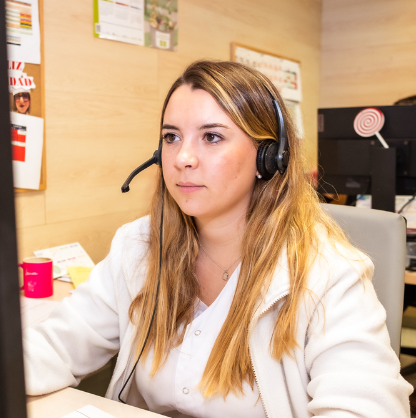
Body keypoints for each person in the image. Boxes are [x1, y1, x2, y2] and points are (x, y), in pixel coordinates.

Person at [22, 60, 412, 417]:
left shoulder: (327, 272)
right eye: (171, 137)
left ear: (268, 156)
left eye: (211, 137)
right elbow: (55, 347)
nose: (182, 158)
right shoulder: (138, 246)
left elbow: (366, 409)